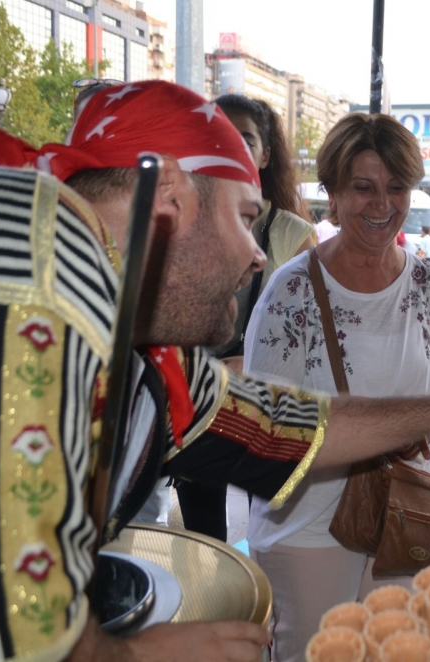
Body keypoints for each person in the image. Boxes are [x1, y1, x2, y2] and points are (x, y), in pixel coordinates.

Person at [0, 80, 430, 662]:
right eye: (247, 217)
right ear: (170, 197)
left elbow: (286, 428)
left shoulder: (138, 343)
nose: (258, 255)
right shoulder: (20, 287)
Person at [241, 113, 430, 661]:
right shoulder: (289, 293)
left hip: (409, 511)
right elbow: (265, 430)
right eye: (363, 188)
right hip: (309, 528)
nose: (382, 204)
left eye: (396, 188)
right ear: (334, 196)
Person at [177, 94, 318, 542]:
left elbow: (312, 335)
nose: (231, 146)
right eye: (220, 135)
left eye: (245, 138)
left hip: (267, 406)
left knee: (273, 535)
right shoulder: (178, 220)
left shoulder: (294, 236)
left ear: (265, 154)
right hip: (197, 400)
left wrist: (252, 365)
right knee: (204, 540)